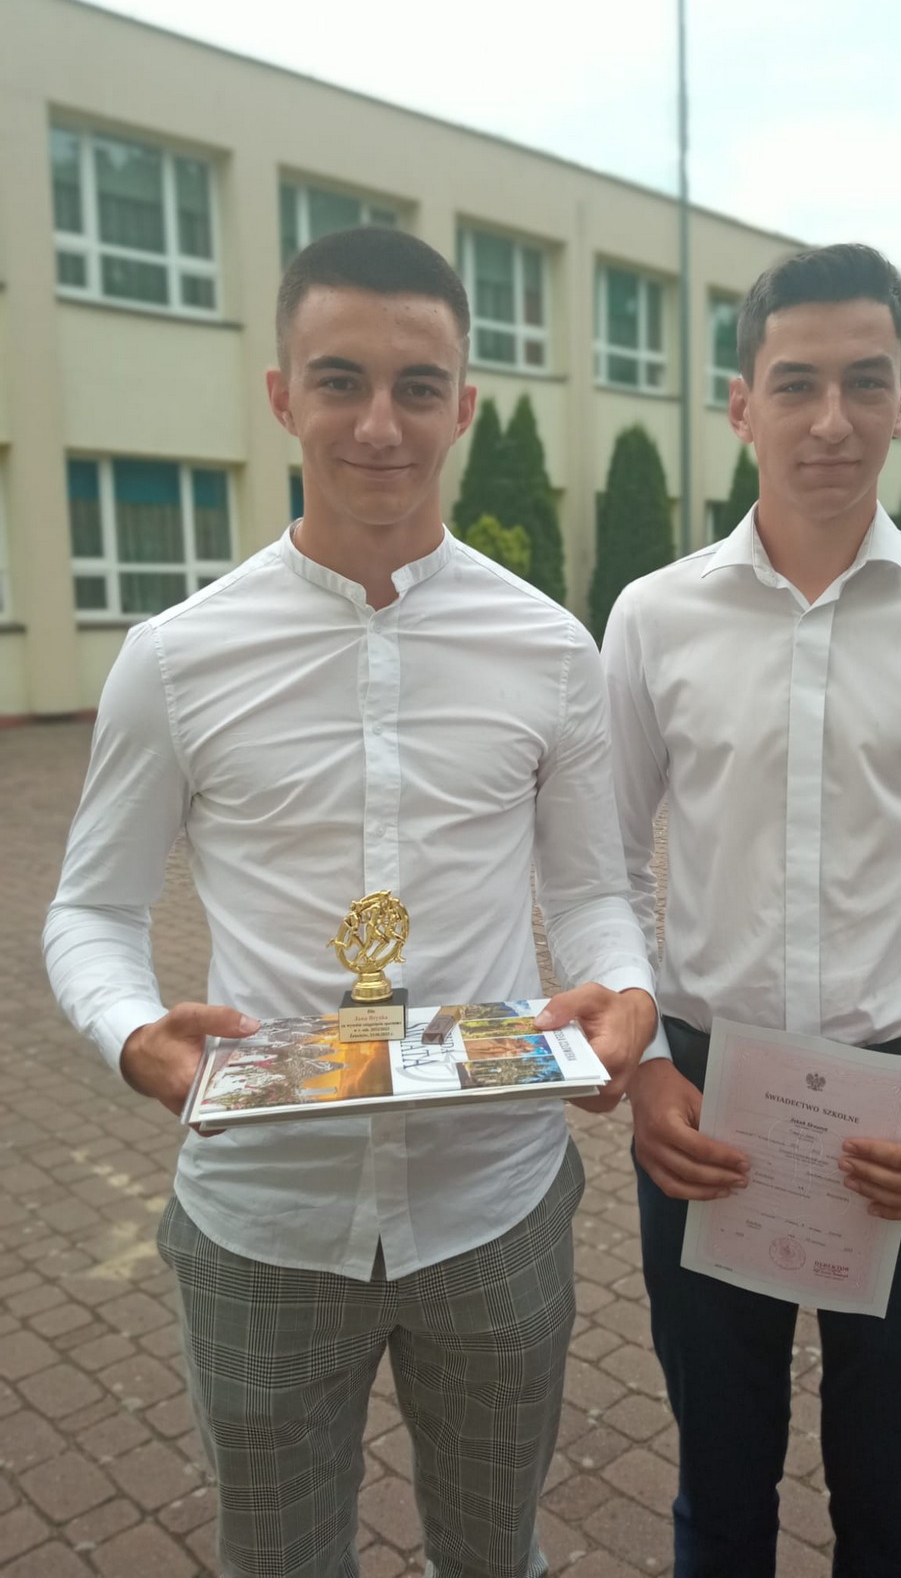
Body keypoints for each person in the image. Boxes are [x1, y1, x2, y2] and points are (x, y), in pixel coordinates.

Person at [44, 226, 658, 1578]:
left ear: (463, 406)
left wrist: (627, 996)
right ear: (281, 395)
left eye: (417, 386)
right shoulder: (177, 658)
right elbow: (90, 912)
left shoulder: (549, 650)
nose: (380, 423)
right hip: (263, 1218)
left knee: (495, 1557)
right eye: (340, 380)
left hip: (495, 1205)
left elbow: (596, 893)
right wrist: (135, 1036)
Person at [601, 243, 901, 1578]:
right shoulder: (654, 618)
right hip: (705, 1103)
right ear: (739, 403)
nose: (832, 420)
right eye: (796, 383)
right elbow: (602, 872)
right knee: (719, 1498)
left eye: (867, 382)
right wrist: (646, 1072)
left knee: (894, 1508)